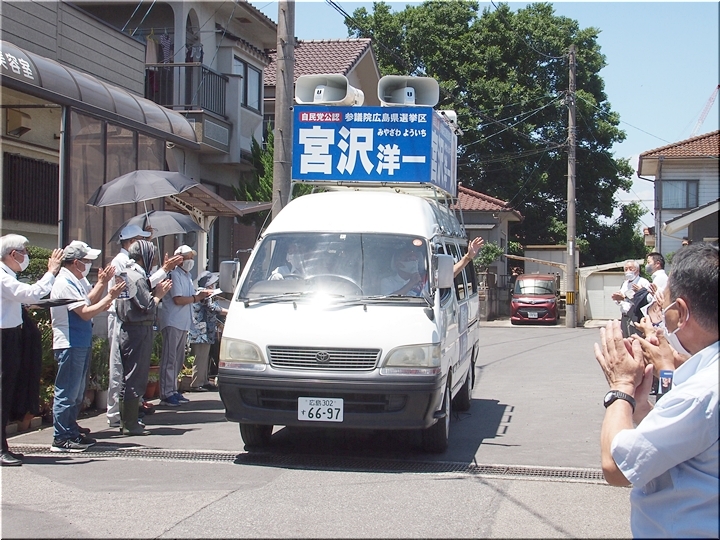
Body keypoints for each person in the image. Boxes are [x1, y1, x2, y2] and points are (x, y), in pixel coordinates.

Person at [593, 242, 718, 538]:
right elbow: (684, 436)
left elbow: (616, 468)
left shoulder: (701, 393)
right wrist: (642, 408)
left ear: (681, 311)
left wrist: (621, 388)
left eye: (663, 306)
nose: (658, 317)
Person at [49, 241, 125, 453]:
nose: (89, 264)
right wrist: (110, 296)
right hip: (69, 342)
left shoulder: (74, 280)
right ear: (76, 262)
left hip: (79, 341)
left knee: (76, 392)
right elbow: (84, 312)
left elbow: (88, 300)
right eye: (86, 261)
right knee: (68, 391)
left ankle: (70, 429)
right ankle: (61, 437)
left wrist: (103, 284)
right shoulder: (64, 282)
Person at [106, 224, 183, 427]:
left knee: (131, 371)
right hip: (128, 320)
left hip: (132, 320)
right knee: (125, 370)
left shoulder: (133, 267)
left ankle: (129, 413)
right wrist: (158, 292)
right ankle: (121, 416)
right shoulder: (124, 264)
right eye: (142, 241)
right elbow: (142, 294)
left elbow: (143, 287)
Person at [1, 234, 63, 467]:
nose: (26, 256)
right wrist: (51, 272)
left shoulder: (9, 276)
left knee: (8, 390)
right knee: (2, 392)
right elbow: (29, 293)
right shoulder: (3, 277)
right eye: (24, 252)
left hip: (11, 336)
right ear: (13, 254)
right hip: (3, 338)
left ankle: (3, 445)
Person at [116, 240, 172, 435]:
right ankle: (130, 423)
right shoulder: (137, 277)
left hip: (128, 329)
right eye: (152, 256)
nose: (154, 260)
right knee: (135, 375)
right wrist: (158, 295)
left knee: (128, 376)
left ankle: (126, 421)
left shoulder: (126, 273)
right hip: (138, 329)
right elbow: (147, 305)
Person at [157, 245, 210, 406]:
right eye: (188, 258)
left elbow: (188, 296)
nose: (190, 261)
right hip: (172, 321)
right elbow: (178, 299)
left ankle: (173, 389)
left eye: (191, 258)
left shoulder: (186, 275)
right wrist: (197, 298)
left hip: (183, 322)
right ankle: (166, 393)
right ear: (179, 259)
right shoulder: (173, 274)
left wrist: (199, 295)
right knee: (170, 358)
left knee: (178, 359)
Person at [188, 271, 227, 392]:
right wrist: (229, 311)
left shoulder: (205, 293)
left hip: (206, 331)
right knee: (200, 357)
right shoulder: (202, 293)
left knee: (205, 357)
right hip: (201, 332)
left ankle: (204, 381)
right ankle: (196, 384)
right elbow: (212, 308)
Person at [610, 260, 650, 338]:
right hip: (625, 316)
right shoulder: (625, 283)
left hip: (637, 317)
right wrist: (618, 299)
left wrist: (625, 298)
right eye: (626, 269)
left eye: (631, 269)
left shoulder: (643, 282)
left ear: (637, 270)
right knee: (626, 339)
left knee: (636, 339)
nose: (628, 271)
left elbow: (644, 301)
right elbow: (622, 299)